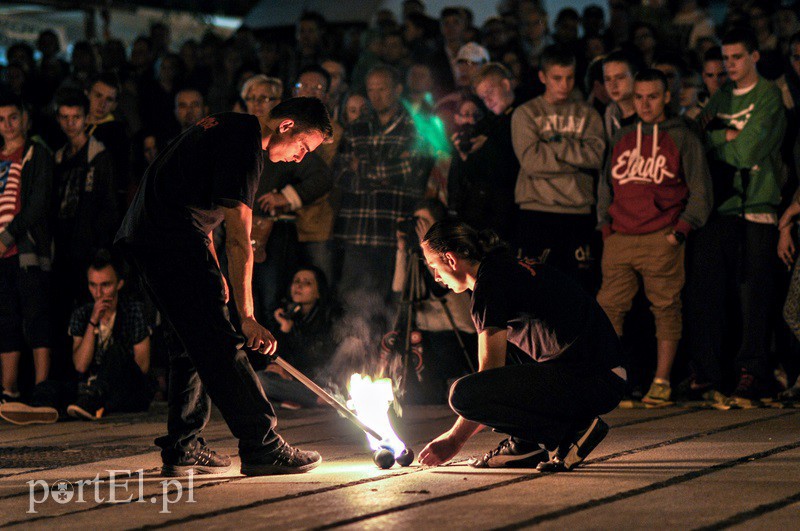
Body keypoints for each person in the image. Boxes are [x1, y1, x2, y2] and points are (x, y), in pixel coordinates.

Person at [115, 97, 333, 477]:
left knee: (189, 342)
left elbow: (200, 209)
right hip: (170, 240)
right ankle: (262, 445)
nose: (299, 158)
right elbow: (239, 238)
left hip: (153, 237)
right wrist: (247, 317)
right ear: (286, 126)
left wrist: (216, 274)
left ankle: (183, 444)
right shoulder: (244, 147)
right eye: (302, 147)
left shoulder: (232, 127)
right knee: (221, 343)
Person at [417, 221, 625, 470]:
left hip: (590, 380)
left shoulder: (489, 285)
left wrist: (454, 439)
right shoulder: (506, 266)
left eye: (433, 267)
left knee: (464, 395)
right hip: (605, 377)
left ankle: (573, 429)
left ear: (450, 259)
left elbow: (489, 378)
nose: (437, 278)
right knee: (509, 351)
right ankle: (526, 445)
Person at [596, 69, 712, 407]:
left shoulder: (682, 136)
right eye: (639, 97)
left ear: (665, 97)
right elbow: (605, 185)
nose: (644, 104)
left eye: (652, 96)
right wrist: (605, 228)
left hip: (662, 236)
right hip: (620, 236)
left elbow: (700, 190)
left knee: (665, 308)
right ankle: (610, 382)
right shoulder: (622, 137)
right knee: (608, 309)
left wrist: (680, 231)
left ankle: (660, 382)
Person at [686, 28, 787, 405]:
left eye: (736, 57)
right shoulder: (722, 96)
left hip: (757, 205)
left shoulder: (768, 96)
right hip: (721, 207)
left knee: (754, 296)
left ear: (754, 56)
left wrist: (725, 140)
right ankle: (713, 373)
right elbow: (697, 141)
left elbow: (748, 151)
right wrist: (721, 138)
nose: (729, 65)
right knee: (710, 292)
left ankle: (753, 371)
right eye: (725, 59)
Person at [511, 45, 605, 292]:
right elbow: (531, 161)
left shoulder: (589, 114)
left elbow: (595, 156)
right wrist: (575, 154)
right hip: (536, 211)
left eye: (569, 77)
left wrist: (555, 144)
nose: (564, 84)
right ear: (543, 77)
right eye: (557, 78)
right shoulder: (526, 113)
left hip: (578, 211)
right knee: (536, 290)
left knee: (580, 289)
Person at [0, 92, 53, 404]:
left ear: (24, 117)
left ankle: (42, 387)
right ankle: (9, 389)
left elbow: (38, 204)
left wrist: (8, 235)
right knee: (5, 318)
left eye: (13, 118)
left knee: (36, 315)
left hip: (26, 249)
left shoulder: (36, 151)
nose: (7, 126)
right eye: (2, 120)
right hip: (2, 255)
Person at [52, 90, 118, 330]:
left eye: (76, 117)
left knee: (87, 309)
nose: (70, 123)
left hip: (88, 247)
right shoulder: (58, 157)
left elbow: (108, 203)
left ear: (85, 117)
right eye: (65, 117)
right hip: (62, 247)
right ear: (58, 119)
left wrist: (98, 245)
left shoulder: (98, 156)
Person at [65, 250, 153, 420]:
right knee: (52, 389)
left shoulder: (133, 311)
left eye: (105, 285)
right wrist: (93, 321)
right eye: (93, 285)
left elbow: (142, 366)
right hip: (90, 386)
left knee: (115, 352)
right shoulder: (83, 314)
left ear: (119, 284)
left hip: (128, 390)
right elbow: (81, 366)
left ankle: (95, 400)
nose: (98, 293)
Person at [258, 266, 339, 409]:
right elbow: (273, 359)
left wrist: (290, 375)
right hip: (292, 380)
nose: (299, 286)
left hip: (320, 381)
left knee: (261, 382)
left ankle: (319, 399)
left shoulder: (327, 318)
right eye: (296, 281)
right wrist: (284, 328)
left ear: (318, 292)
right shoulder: (289, 314)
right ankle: (286, 402)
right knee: (256, 379)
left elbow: (320, 361)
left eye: (307, 283)